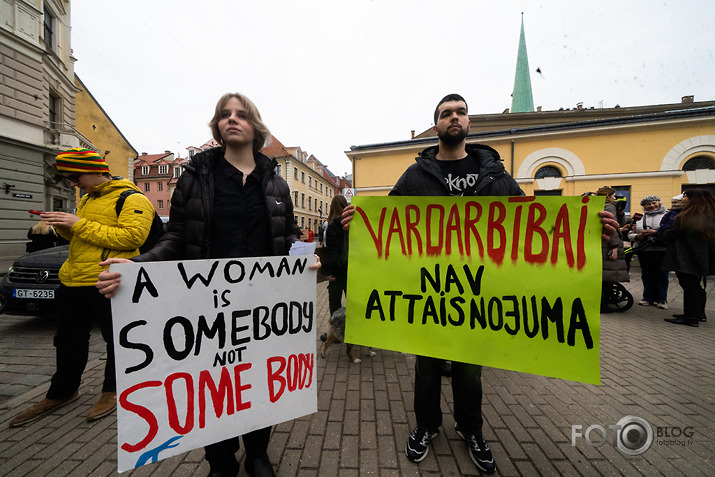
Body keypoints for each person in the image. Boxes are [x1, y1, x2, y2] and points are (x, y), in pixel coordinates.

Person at [340, 94, 619, 474]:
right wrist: (359, 224)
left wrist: (585, 234)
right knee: (427, 365)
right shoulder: (415, 176)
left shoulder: (496, 175)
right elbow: (387, 226)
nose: (453, 118)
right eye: (445, 114)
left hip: (479, 295)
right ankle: (426, 426)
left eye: (460, 112)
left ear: (469, 123)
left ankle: (471, 429)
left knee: (471, 369)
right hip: (429, 292)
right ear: (435, 125)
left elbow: (531, 225)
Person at [95, 93, 317, 477]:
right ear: (217, 126)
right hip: (207, 304)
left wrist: (304, 260)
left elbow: (290, 237)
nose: (232, 119)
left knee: (256, 378)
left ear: (255, 127)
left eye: (241, 114)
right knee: (214, 380)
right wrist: (137, 267)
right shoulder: (197, 177)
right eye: (224, 115)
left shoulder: (276, 184)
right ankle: (220, 459)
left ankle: (258, 452)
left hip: (262, 305)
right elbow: (176, 235)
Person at [10, 148, 154, 428]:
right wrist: (63, 225)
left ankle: (112, 391)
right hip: (73, 278)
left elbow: (133, 237)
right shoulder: (87, 199)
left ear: (95, 169)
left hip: (110, 279)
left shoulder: (132, 197)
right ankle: (62, 392)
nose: (73, 184)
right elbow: (83, 236)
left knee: (118, 341)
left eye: (75, 177)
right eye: (68, 179)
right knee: (67, 340)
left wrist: (79, 223)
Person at [659, 189, 715, 326]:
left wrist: (660, 234)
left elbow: (670, 233)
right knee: (696, 285)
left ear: (693, 199)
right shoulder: (709, 215)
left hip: (685, 256)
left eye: (685, 196)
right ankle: (698, 313)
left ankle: (690, 317)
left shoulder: (688, 215)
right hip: (701, 255)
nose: (683, 199)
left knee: (689, 286)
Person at [629, 195, 669, 308]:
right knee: (647, 275)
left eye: (654, 203)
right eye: (648, 204)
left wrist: (654, 233)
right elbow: (629, 235)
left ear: (659, 203)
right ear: (644, 206)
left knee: (661, 275)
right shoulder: (640, 218)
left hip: (662, 250)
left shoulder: (667, 215)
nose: (652, 206)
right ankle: (647, 297)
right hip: (645, 250)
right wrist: (638, 236)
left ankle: (661, 299)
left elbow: (670, 232)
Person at [596, 187, 629, 312]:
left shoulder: (598, 205)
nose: (615, 198)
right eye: (614, 195)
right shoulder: (608, 206)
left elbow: (618, 224)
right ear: (608, 196)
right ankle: (603, 305)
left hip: (602, 244)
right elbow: (612, 228)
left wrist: (620, 213)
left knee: (603, 277)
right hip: (608, 246)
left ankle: (602, 303)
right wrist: (615, 247)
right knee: (607, 278)